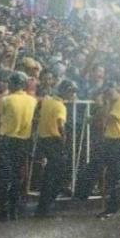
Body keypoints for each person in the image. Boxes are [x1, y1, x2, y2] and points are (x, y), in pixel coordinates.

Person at [0, 71, 37, 220]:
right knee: (18, 176)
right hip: (23, 140)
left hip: (7, 139)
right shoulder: (32, 101)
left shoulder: (5, 100)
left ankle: (4, 211)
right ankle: (14, 210)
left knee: (5, 175)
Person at [35, 79, 76, 216]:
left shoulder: (48, 101)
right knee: (55, 176)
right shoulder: (60, 106)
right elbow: (60, 125)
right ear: (66, 91)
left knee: (49, 176)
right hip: (54, 141)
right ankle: (45, 208)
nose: (73, 96)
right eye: (72, 92)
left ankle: (43, 207)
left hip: (44, 139)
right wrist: (64, 139)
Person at [98, 81, 120, 218]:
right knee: (111, 175)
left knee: (116, 176)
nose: (108, 94)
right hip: (112, 140)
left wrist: (103, 104)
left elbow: (108, 118)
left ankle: (113, 208)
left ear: (117, 89)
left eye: (110, 91)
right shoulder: (114, 102)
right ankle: (110, 206)